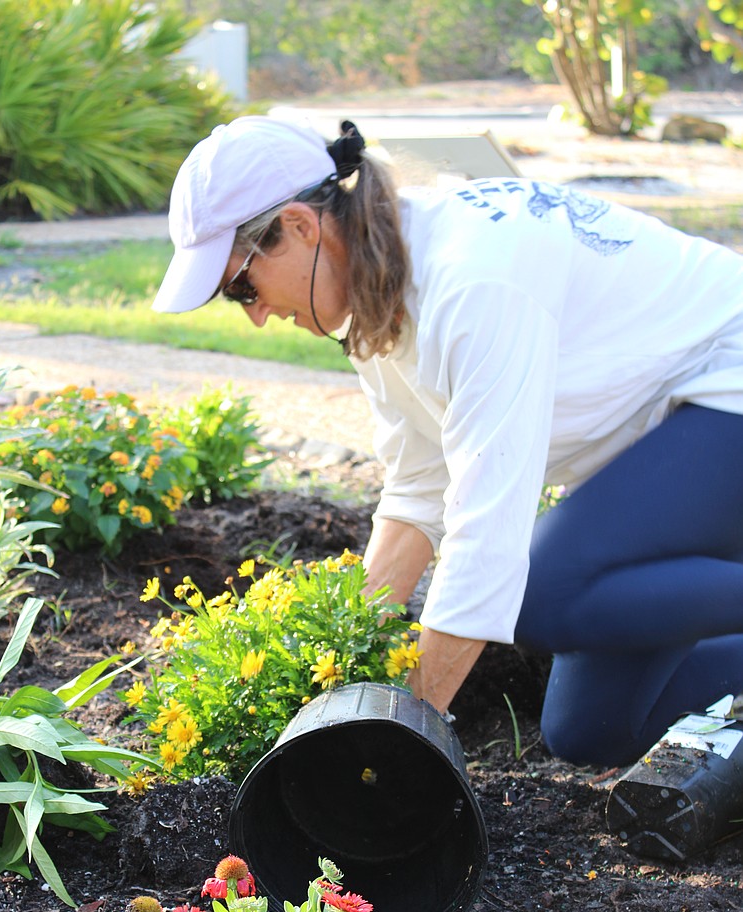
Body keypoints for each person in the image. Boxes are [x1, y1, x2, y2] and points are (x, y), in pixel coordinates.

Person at [152, 112, 743, 768]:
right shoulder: (376, 296)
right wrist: (344, 664)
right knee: (593, 730)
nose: (256, 314)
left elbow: (487, 536)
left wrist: (392, 738)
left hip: (727, 391)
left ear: (298, 225)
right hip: (666, 436)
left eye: (241, 285)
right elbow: (417, 492)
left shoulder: (471, 281)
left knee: (537, 589)